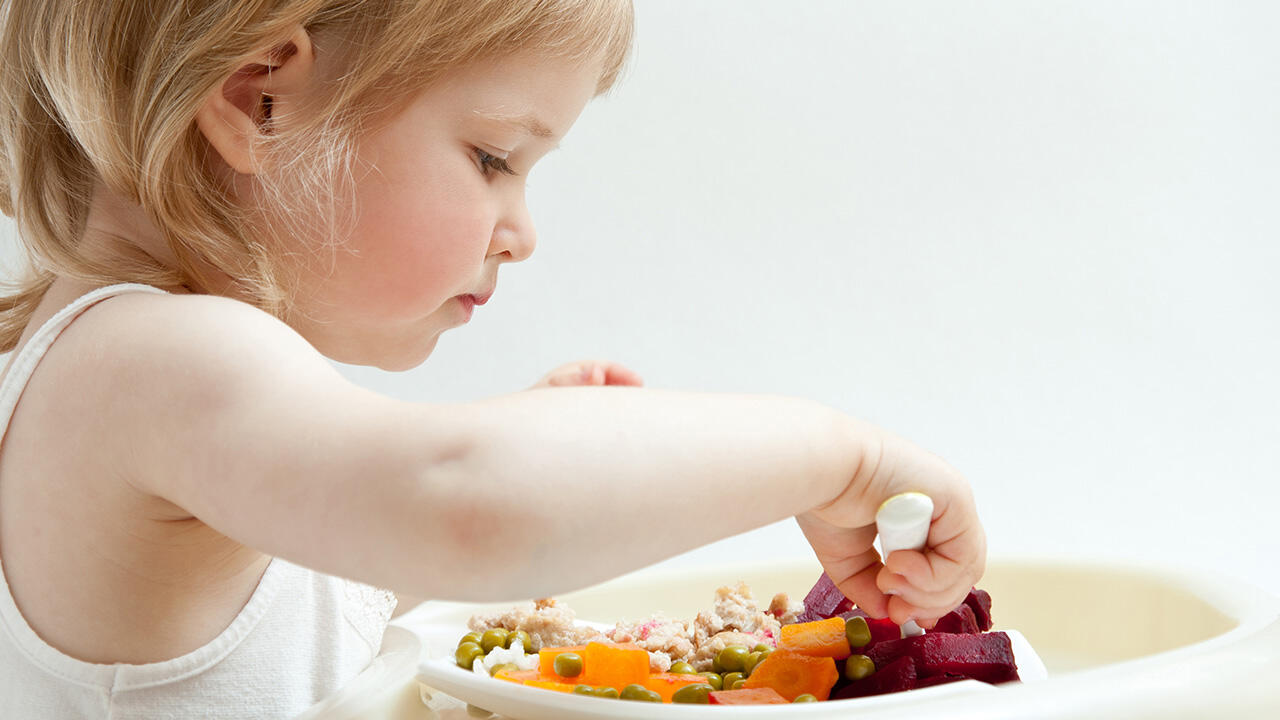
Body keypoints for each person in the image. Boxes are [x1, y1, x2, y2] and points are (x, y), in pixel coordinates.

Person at [0, 0, 985, 716]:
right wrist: (830, 459)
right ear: (260, 101)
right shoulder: (152, 357)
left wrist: (555, 447)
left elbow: (325, 605)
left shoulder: (141, 369)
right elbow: (462, 510)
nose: (519, 232)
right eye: (492, 158)